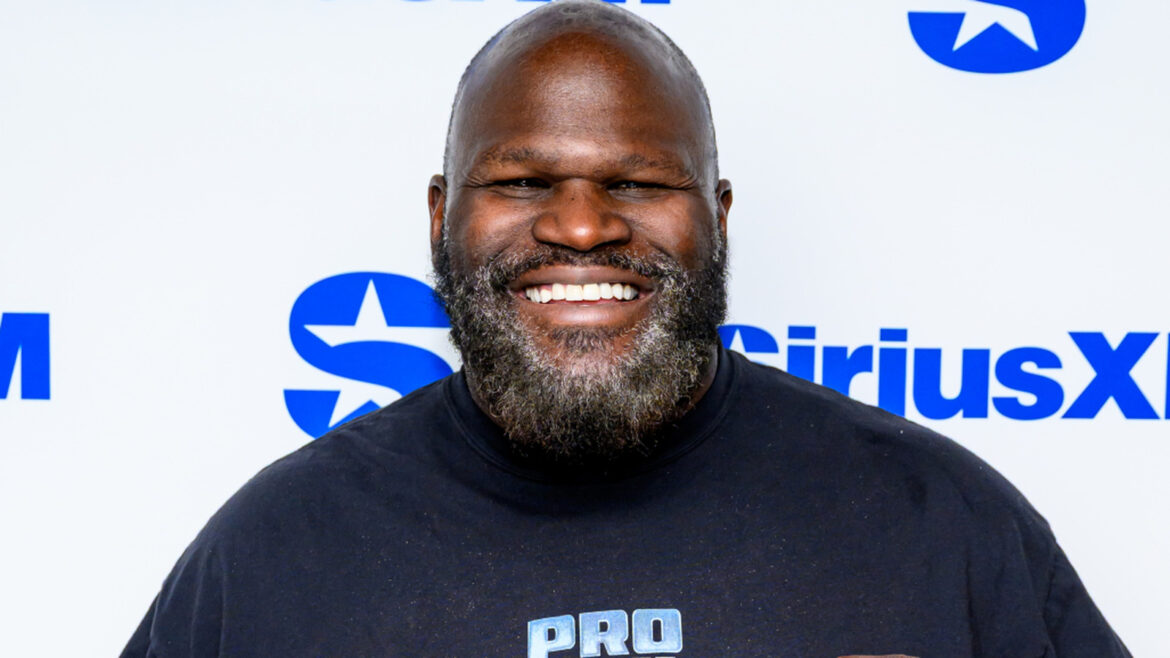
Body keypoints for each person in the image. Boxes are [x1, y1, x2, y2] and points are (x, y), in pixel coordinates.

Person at [122, 1, 1131, 656]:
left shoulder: (936, 527)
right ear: (440, 217)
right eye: (523, 182)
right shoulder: (275, 555)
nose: (579, 227)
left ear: (718, 217)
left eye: (639, 184)